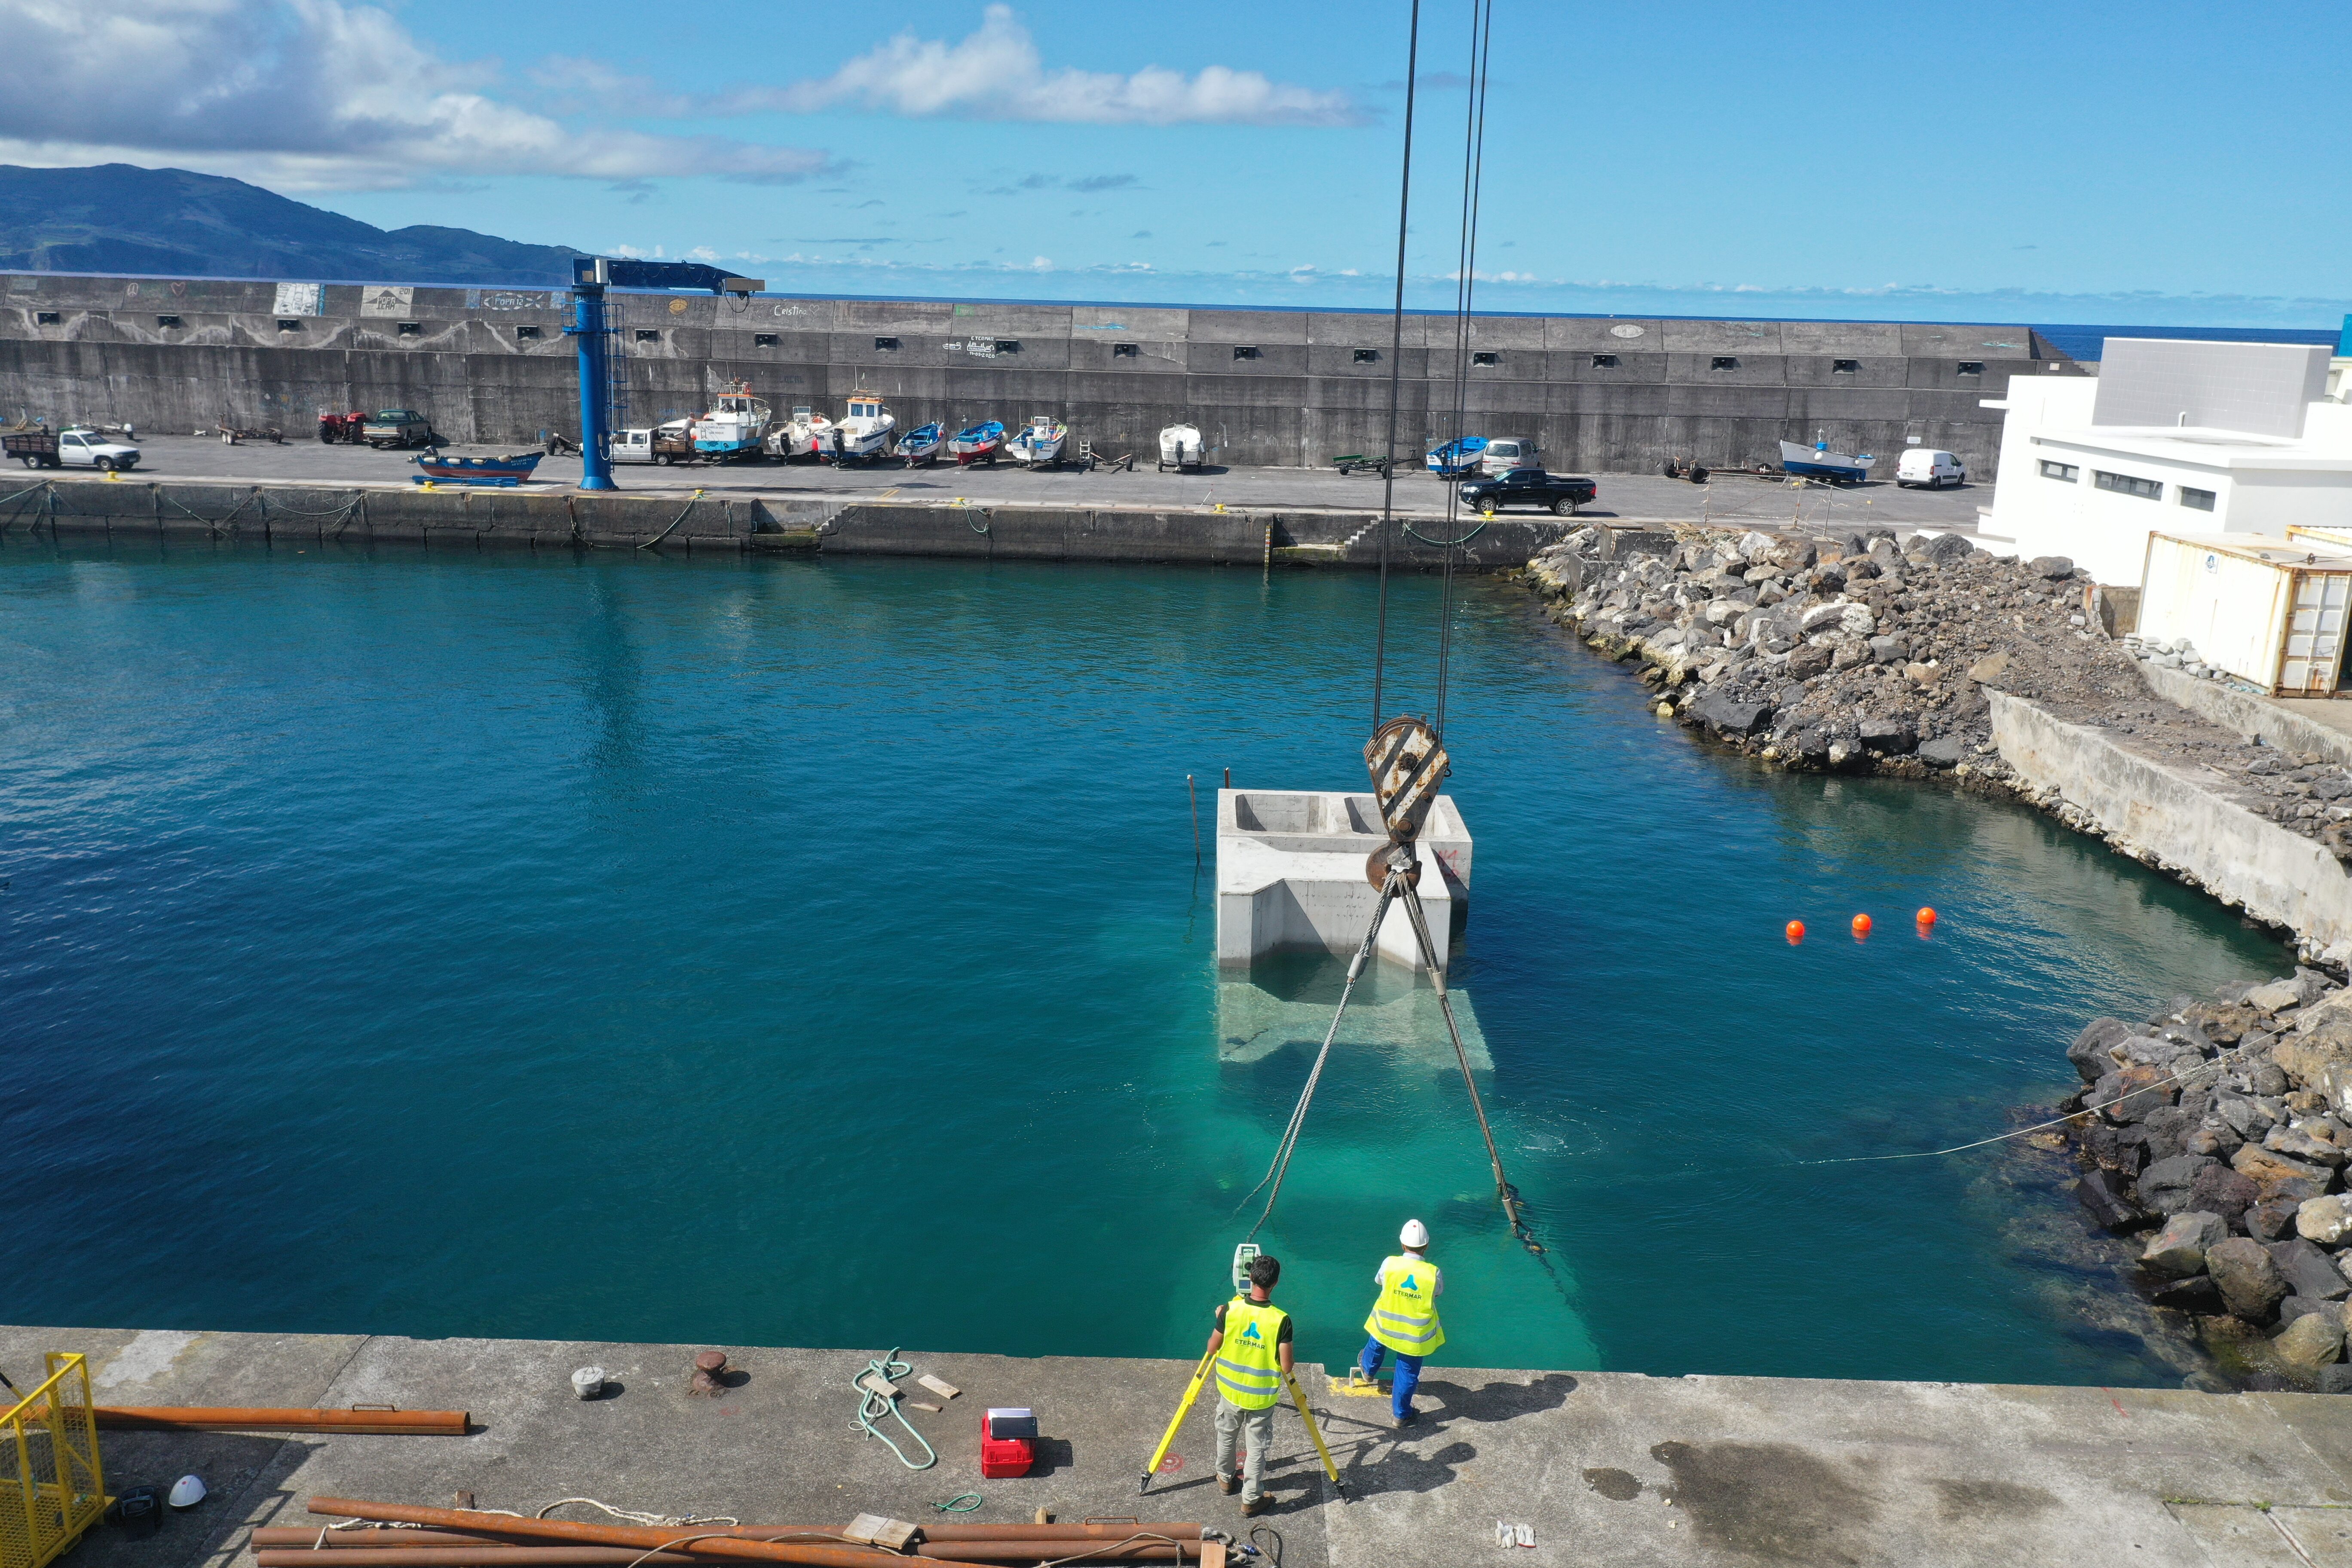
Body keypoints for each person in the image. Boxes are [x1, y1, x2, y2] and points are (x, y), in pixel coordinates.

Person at [1205, 1252, 1291, 1516]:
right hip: (1261, 1399)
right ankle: (1251, 1499)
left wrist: (1223, 1320)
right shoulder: (1281, 1320)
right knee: (1256, 1449)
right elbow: (1286, 1366)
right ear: (1275, 1283)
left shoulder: (1230, 1310)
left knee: (1226, 1435)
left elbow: (1212, 1347)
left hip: (1230, 1391)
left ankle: (1225, 1478)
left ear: (1250, 1277)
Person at [1355, 1219, 1443, 1425]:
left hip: (1386, 1324)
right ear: (1426, 1246)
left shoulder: (1390, 1263)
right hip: (1415, 1335)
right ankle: (1400, 1416)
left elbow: (1379, 1281)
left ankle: (1368, 1372)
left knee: (1376, 1344)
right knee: (1407, 1372)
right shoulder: (1433, 1272)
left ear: (1403, 1245)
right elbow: (1437, 1293)